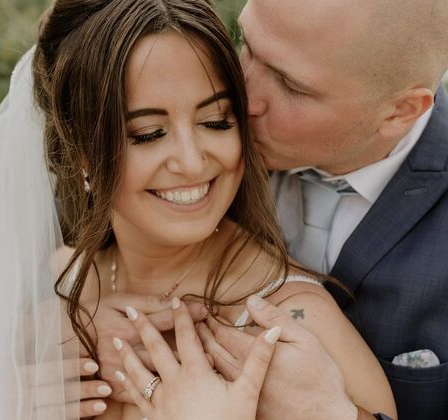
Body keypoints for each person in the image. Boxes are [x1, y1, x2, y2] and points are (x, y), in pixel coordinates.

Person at [32, 0, 396, 418]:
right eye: (148, 134)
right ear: (80, 151)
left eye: (216, 122)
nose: (192, 162)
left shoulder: (294, 322)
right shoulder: (59, 285)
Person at [195, 0, 448, 419]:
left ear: (399, 112)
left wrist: (327, 411)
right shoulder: (192, 135)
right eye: (247, 44)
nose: (243, 96)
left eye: (291, 86)